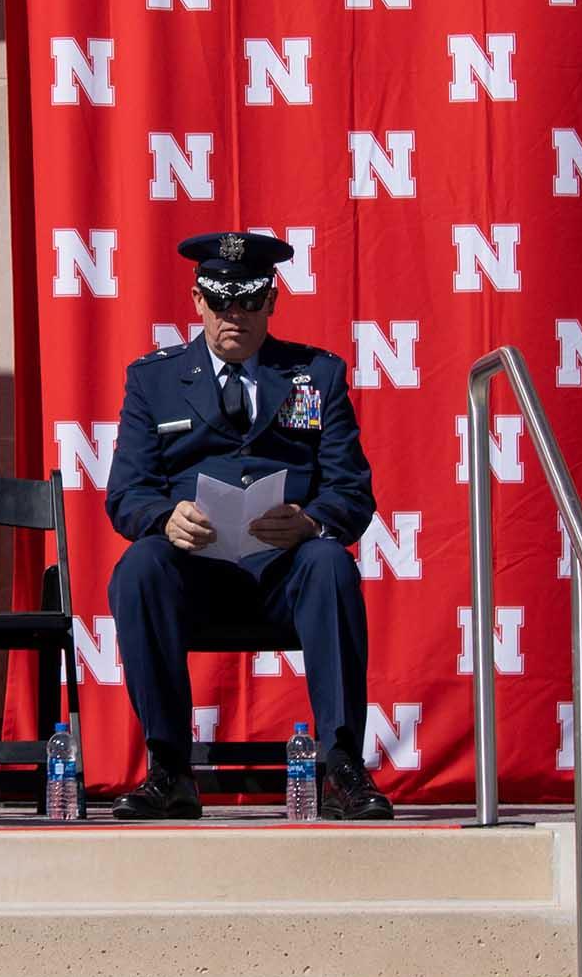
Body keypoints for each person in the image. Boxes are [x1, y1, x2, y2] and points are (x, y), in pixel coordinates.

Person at [103, 231, 392, 821]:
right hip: (196, 574)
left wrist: (312, 521)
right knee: (139, 566)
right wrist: (165, 518)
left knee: (331, 562)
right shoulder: (153, 380)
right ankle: (168, 768)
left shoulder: (316, 375)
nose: (234, 315)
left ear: (271, 302)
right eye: (220, 301)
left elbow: (352, 489)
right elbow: (128, 492)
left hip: (284, 572)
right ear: (197, 301)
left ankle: (342, 766)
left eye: (250, 302)